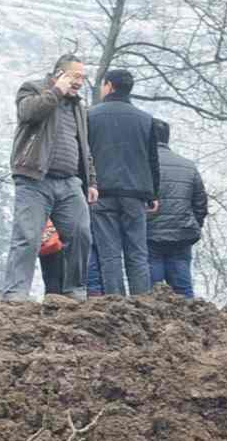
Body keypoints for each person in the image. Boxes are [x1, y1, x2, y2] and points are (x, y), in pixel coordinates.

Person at [4, 52, 94, 301]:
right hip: (34, 179)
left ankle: (74, 291)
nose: (79, 82)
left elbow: (84, 146)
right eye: (75, 76)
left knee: (81, 233)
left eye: (83, 78)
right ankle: (16, 293)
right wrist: (56, 92)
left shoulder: (78, 107)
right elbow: (27, 114)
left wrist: (91, 181)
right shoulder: (32, 89)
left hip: (69, 182)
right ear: (59, 74)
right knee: (27, 237)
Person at [83, 69, 160, 298]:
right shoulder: (146, 119)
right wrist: (153, 194)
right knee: (137, 253)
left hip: (102, 193)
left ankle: (116, 303)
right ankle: (142, 303)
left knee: (109, 253)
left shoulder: (90, 116)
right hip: (136, 194)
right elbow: (152, 160)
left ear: (108, 86)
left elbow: (83, 155)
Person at [146, 118, 207, 299]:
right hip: (182, 234)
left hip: (150, 234)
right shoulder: (188, 165)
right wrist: (193, 224)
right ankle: (189, 324)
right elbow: (200, 203)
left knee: (152, 295)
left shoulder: (142, 165)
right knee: (184, 292)